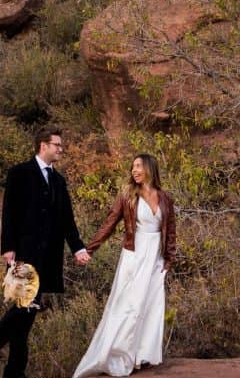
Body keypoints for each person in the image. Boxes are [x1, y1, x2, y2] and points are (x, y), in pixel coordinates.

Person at [0, 128, 91, 378]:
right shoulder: (19, 173)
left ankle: (14, 370)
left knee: (27, 313)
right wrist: (8, 247)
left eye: (61, 145)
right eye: (56, 144)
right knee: (24, 306)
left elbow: (67, 219)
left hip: (48, 256)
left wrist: (78, 246)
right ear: (42, 145)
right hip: (23, 253)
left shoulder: (58, 180)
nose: (60, 149)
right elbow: (10, 211)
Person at [72, 154, 176, 378]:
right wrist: (89, 249)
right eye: (133, 167)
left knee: (151, 306)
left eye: (139, 166)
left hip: (155, 259)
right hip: (134, 256)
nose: (135, 170)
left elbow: (171, 232)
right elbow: (110, 222)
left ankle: (142, 356)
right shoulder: (128, 195)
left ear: (150, 168)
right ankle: (120, 356)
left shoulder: (165, 198)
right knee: (130, 307)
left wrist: (168, 260)